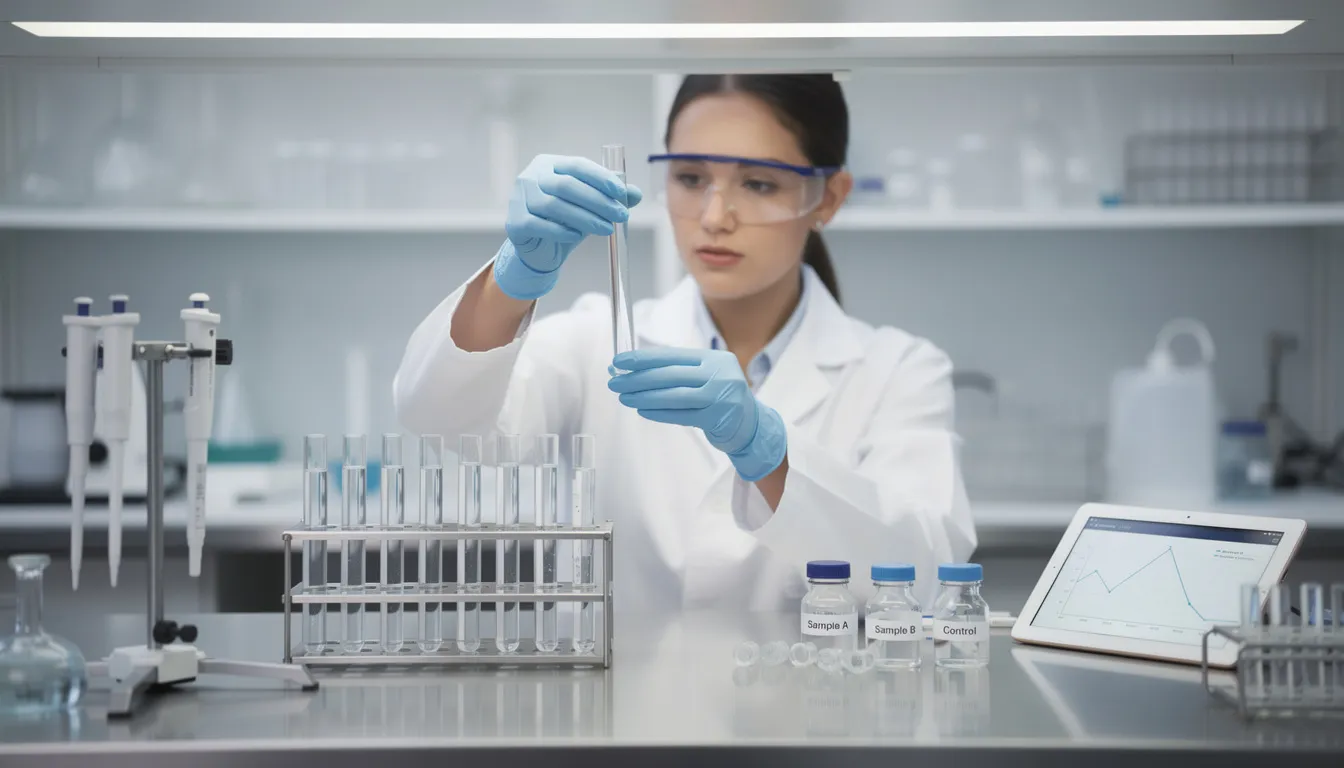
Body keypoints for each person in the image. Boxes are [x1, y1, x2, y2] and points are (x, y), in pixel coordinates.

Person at [394, 74, 975, 612]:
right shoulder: (596, 339)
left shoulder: (899, 371)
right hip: (617, 720)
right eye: (691, 178)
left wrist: (769, 452)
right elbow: (443, 418)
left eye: (759, 182)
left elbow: (929, 578)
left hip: (814, 717)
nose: (715, 216)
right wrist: (511, 277)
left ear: (827, 198)